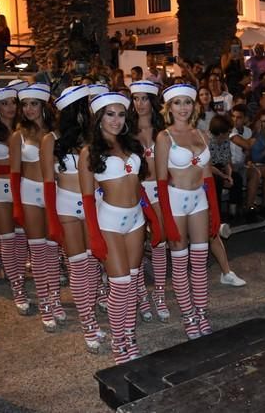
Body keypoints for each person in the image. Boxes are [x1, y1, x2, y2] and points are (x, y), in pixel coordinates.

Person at [80, 92, 160, 363]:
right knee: (121, 284)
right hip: (110, 222)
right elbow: (88, 199)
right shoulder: (89, 152)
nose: (116, 120)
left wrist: (154, 218)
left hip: (136, 220)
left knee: (134, 278)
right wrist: (94, 236)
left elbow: (139, 187)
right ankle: (118, 342)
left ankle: (129, 334)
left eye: (121, 114)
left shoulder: (132, 144)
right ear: (99, 117)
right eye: (110, 114)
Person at [41, 85, 106, 353]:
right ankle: (88, 323)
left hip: (96, 204)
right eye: (85, 106)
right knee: (78, 265)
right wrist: (52, 222)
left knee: (93, 264)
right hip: (67, 204)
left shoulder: (95, 138)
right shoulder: (51, 140)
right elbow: (47, 182)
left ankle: (90, 314)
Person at [155, 84, 220, 339]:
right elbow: (161, 180)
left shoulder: (202, 134)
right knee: (180, 263)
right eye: (177, 103)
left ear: (195, 105)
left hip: (199, 200)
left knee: (200, 261)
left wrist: (215, 212)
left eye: (187, 102)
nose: (183, 108)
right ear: (169, 107)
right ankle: (188, 315)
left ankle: (201, 311)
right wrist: (166, 221)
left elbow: (207, 177)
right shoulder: (164, 137)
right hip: (175, 200)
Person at [10, 84, 64, 332]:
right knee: (39, 252)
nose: (29, 109)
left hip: (56, 193)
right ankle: (45, 304)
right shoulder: (18, 135)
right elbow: (14, 174)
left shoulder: (58, 133)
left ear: (44, 105)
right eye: (25, 104)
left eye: (34, 103)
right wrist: (18, 207)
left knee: (54, 250)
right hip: (30, 192)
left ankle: (55, 300)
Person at [0, 87, 32, 315]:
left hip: (24, 188)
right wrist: (13, 166)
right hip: (0, 188)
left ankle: (19, 277)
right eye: (5, 103)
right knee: (8, 239)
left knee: (22, 239)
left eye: (13, 102)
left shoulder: (25, 130)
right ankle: (18, 287)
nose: (10, 107)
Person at [130, 81, 170, 322]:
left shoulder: (163, 131)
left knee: (159, 241)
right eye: (136, 99)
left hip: (159, 190)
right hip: (135, 190)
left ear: (152, 102)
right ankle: (141, 296)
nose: (140, 104)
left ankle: (160, 295)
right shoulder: (126, 130)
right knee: (135, 246)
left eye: (145, 99)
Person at [229, 104, 265, 221]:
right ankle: (249, 209)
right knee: (255, 173)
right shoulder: (230, 130)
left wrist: (249, 159)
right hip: (231, 166)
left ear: (245, 119)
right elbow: (246, 144)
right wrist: (257, 132)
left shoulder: (247, 131)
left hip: (242, 164)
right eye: (233, 117)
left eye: (239, 117)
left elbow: (247, 150)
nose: (235, 120)